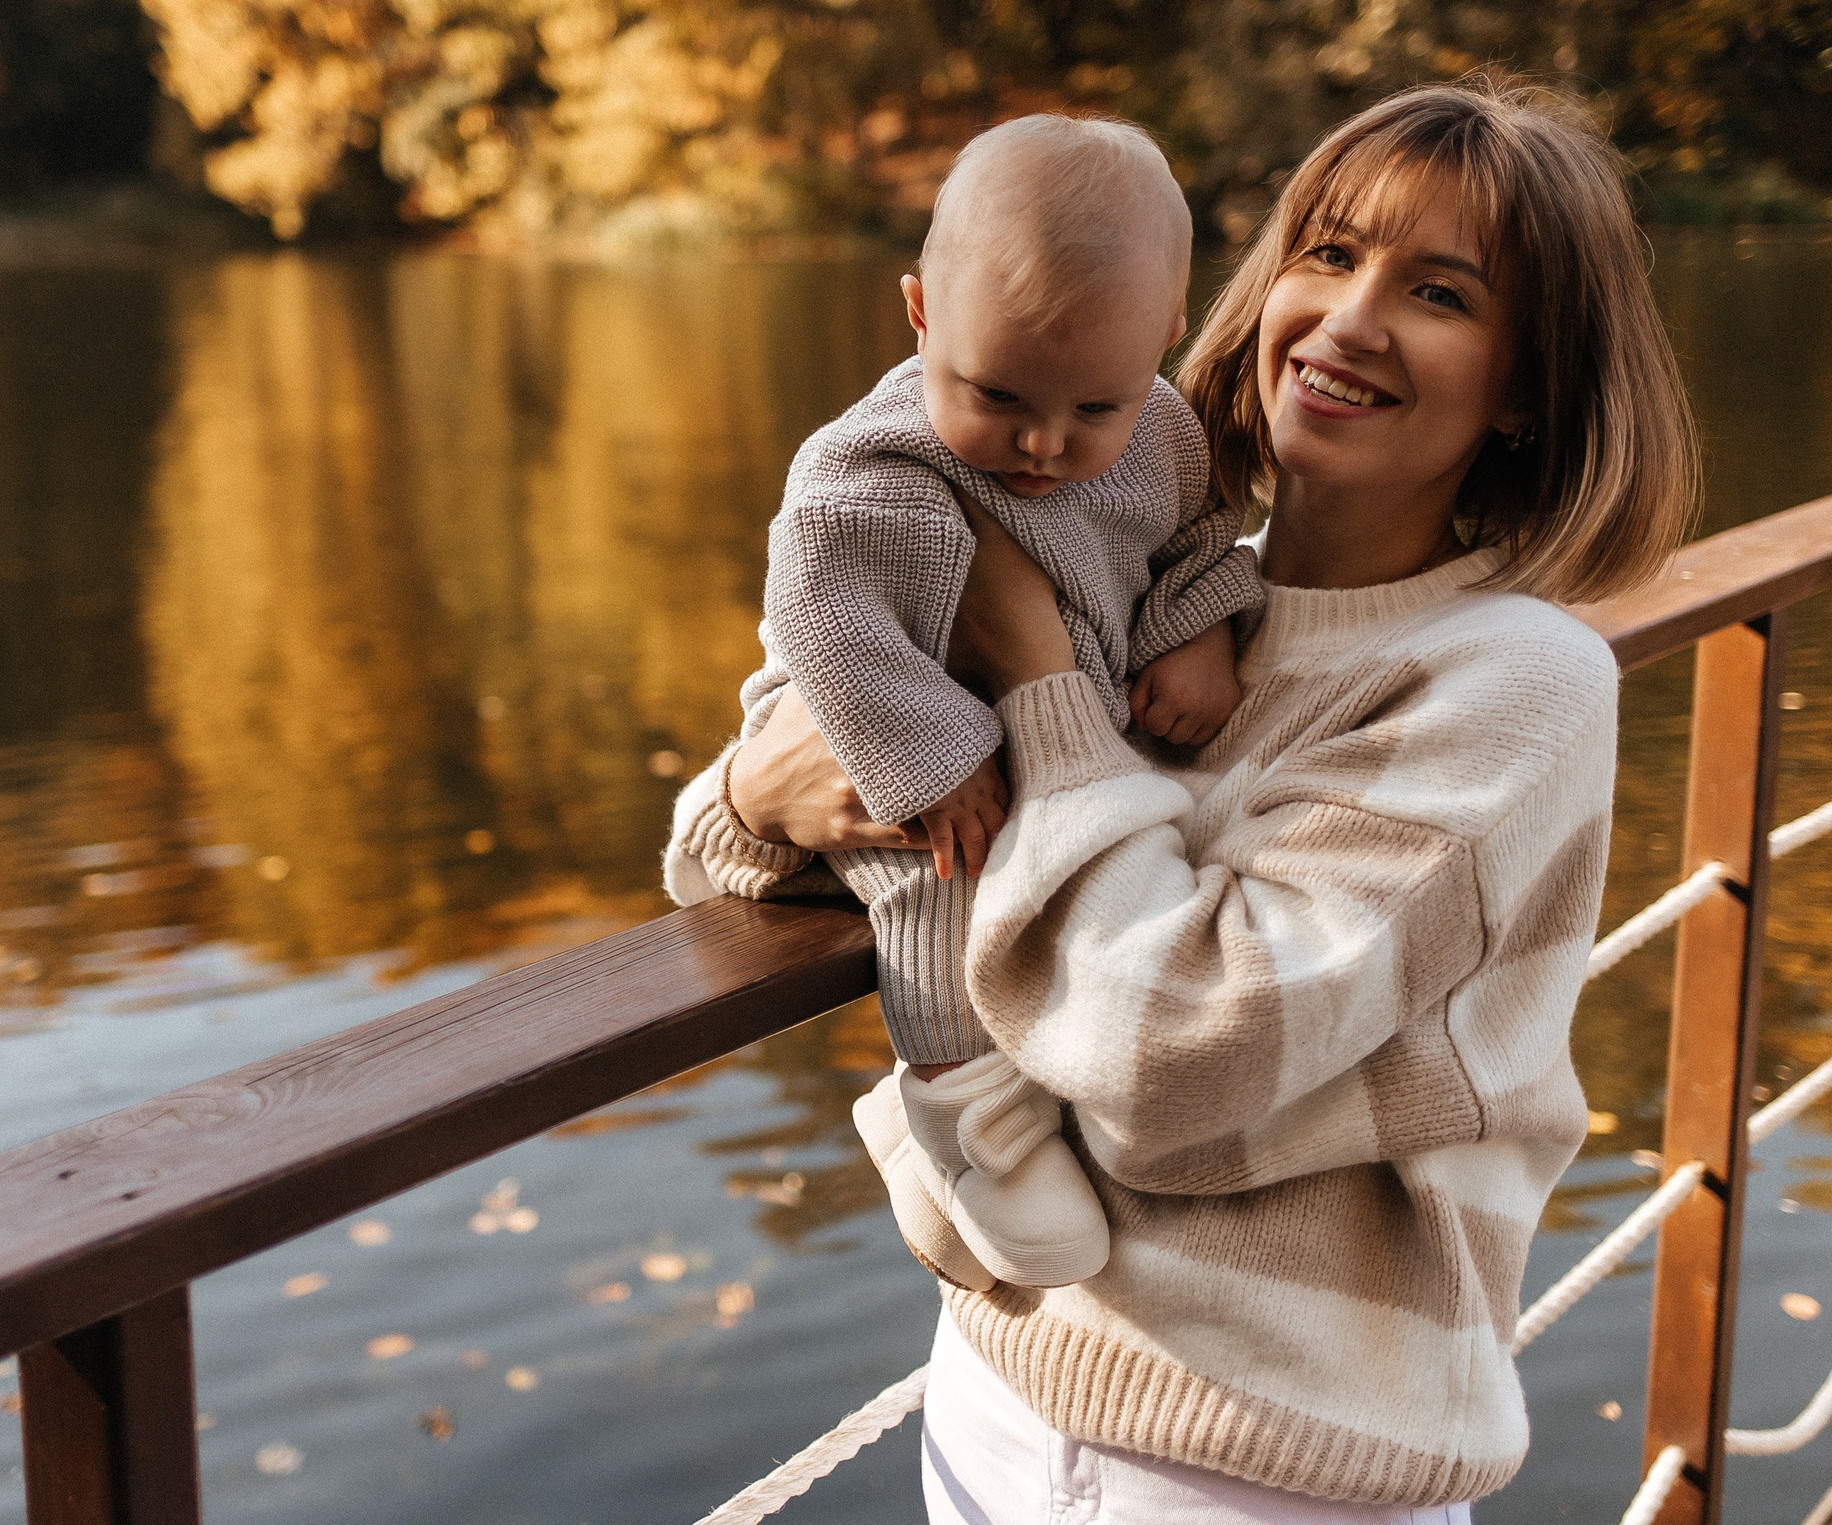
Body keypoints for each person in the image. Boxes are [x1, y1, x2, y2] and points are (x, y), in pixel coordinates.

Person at [672, 77, 1696, 1523]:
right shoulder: (1139, 576)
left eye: (1440, 291)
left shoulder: (1511, 681)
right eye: (1327, 254)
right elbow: (735, 858)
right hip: (1002, 1386)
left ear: (1529, 382)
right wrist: (759, 787)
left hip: (1265, 1460)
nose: (1346, 317)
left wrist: (1029, 663)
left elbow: (1173, 1051)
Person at [670, 114, 1264, 1291]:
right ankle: (962, 1116)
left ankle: (1012, 1089)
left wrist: (1201, 627)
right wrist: (933, 759)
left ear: (1164, 338)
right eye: (995, 393)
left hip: (1049, 720)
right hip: (887, 713)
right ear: (920, 314)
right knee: (946, 895)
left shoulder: (1166, 436)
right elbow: (823, 617)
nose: (1041, 444)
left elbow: (1197, 542)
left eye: (1093, 407)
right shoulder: (874, 464)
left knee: (1110, 871)